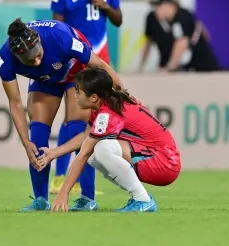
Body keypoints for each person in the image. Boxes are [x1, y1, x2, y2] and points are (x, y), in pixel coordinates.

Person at [0, 18, 124, 212]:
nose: (37, 61)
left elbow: (100, 65)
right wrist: (25, 141)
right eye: (30, 61)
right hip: (46, 80)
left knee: (75, 126)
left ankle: (87, 197)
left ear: (39, 40)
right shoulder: (5, 59)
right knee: (37, 134)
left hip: (76, 72)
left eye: (38, 55)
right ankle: (40, 199)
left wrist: (122, 92)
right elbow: (15, 103)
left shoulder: (61, 39)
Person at [37, 68, 181, 213]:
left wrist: (63, 193)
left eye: (78, 92)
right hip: (159, 158)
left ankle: (143, 200)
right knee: (94, 155)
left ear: (93, 97)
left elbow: (83, 153)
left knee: (101, 148)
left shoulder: (107, 114)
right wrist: (54, 153)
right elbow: (86, 137)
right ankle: (140, 198)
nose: (75, 96)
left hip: (165, 163)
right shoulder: (106, 105)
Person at [48, 0, 122, 195]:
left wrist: (106, 7)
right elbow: (57, 23)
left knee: (91, 120)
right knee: (75, 118)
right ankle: (61, 177)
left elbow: (119, 19)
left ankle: (82, 184)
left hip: (100, 61)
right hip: (75, 58)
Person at [151, 0, 220, 72]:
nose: (156, 11)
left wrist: (171, 67)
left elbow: (182, 43)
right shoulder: (181, 15)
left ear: (169, 5)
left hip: (203, 66)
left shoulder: (179, 19)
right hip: (195, 65)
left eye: (159, 7)